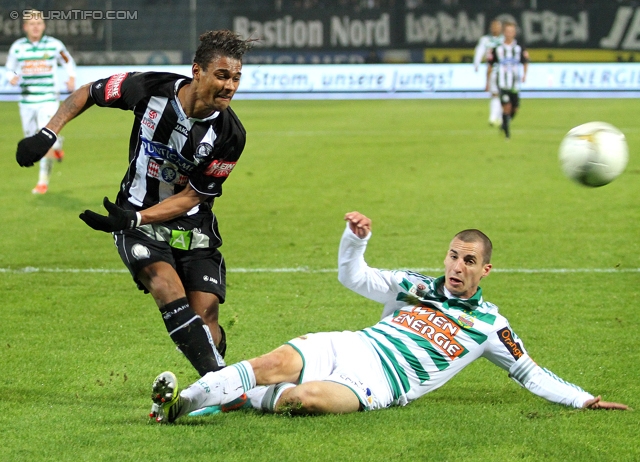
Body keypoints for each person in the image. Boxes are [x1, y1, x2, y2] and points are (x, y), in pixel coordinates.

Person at [149, 211, 628, 423]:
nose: (456, 267)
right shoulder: (414, 284)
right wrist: (356, 239)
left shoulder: (489, 326)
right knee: (271, 362)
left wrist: (584, 400)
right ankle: (180, 405)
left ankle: (230, 400)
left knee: (305, 399)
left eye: (468, 261)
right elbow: (353, 277)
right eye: (452, 256)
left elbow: (530, 372)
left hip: (382, 383)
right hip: (355, 344)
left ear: (485, 269)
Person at [15, 30, 253, 377]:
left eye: (235, 78)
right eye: (222, 75)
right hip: (136, 216)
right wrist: (47, 134)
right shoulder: (150, 88)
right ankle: (223, 384)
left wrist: (134, 219)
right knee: (164, 285)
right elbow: (89, 92)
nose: (230, 86)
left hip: (186, 223)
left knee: (206, 320)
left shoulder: (231, 135)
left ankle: (216, 371)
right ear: (197, 70)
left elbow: (192, 196)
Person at [5, 9, 76, 194]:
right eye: (32, 23)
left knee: (42, 140)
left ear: (43, 25)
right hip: (27, 101)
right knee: (31, 139)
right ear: (25, 27)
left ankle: (43, 181)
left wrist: (71, 77)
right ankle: (58, 143)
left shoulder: (54, 45)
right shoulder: (18, 47)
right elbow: (9, 69)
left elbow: (68, 61)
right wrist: (12, 77)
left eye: (39, 23)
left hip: (48, 100)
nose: (35, 27)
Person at [486, 22, 529, 139]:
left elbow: (525, 62)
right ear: (504, 32)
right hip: (502, 83)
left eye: (512, 31)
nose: (509, 34)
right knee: (507, 106)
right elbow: (490, 65)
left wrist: (525, 75)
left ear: (514, 33)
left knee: (515, 109)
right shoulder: (497, 48)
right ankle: (507, 134)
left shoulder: (519, 48)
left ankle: (504, 124)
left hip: (515, 83)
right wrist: (487, 82)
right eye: (507, 31)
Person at [473, 19, 503, 127]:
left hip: (505, 71)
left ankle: (499, 117)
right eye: (494, 26)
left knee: (503, 95)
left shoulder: (504, 40)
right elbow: (479, 51)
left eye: (497, 26)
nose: (495, 28)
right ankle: (493, 117)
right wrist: (476, 63)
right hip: (492, 70)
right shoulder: (485, 40)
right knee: (495, 94)